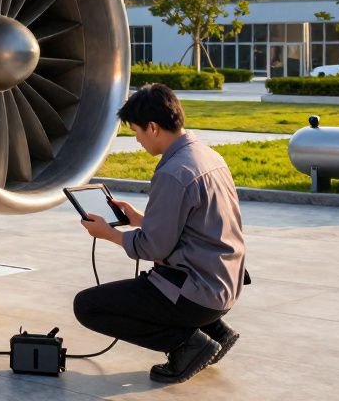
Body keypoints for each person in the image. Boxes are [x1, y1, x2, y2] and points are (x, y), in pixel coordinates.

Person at [74, 83, 247, 385]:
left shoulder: (173, 172)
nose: (137, 140)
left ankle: (188, 344)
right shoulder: (208, 156)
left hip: (198, 293)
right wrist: (140, 219)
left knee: (87, 306)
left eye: (136, 132)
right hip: (226, 283)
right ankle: (215, 330)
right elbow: (197, 225)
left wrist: (108, 234)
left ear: (153, 128)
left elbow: (153, 247)